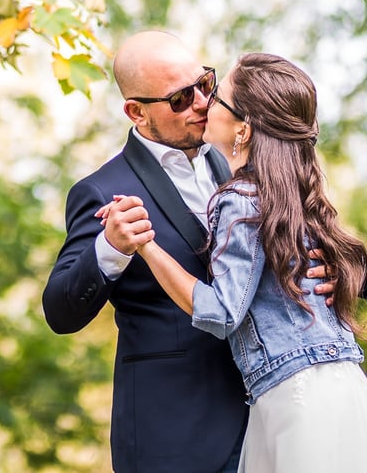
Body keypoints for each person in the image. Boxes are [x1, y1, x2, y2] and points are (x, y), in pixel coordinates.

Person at [42, 31, 335, 473]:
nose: (202, 103)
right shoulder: (101, 191)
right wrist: (110, 247)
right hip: (175, 435)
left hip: (273, 417)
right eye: (180, 99)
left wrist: (337, 272)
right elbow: (60, 312)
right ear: (137, 112)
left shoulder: (243, 160)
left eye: (205, 84)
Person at [98, 52, 367, 472]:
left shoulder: (240, 198)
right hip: (340, 382)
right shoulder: (284, 189)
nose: (203, 103)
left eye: (214, 93)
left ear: (243, 128)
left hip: (293, 396)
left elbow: (222, 312)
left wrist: (146, 246)